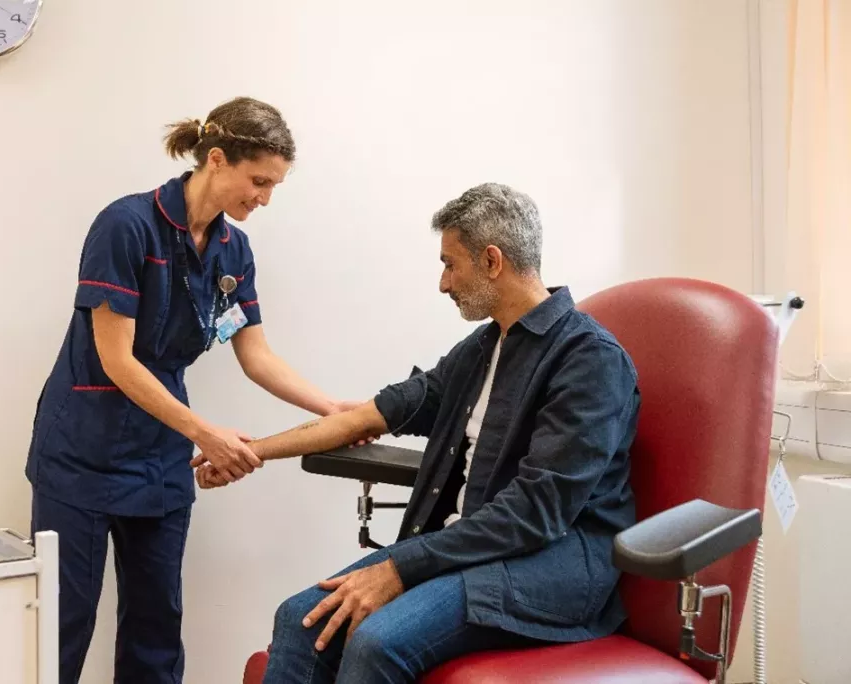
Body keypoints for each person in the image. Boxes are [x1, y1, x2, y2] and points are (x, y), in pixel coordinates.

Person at [194, 183, 642, 683]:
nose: (443, 283)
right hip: (468, 548)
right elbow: (367, 416)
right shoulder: (483, 349)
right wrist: (249, 451)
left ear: (492, 260)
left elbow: (534, 514)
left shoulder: (589, 360)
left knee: (376, 640)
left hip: (550, 566)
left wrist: (402, 567)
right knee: (297, 620)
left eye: (451, 264)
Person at [25, 96, 358, 684]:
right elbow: (117, 360)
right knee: (60, 624)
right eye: (258, 181)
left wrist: (331, 408)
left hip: (159, 457)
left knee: (157, 627)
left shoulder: (234, 251)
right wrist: (205, 431)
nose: (264, 198)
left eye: (275, 186)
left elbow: (255, 356)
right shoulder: (126, 225)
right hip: (81, 450)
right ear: (216, 159)